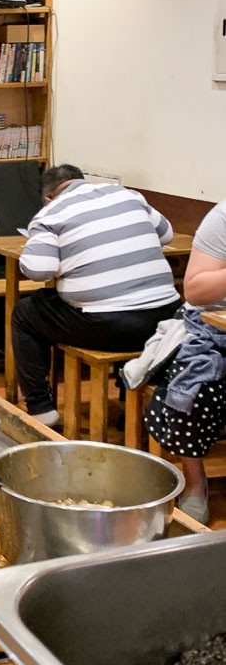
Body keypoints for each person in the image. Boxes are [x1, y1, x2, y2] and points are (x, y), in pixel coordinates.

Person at [12, 164, 181, 426]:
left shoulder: (52, 213)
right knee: (118, 299)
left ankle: (40, 408)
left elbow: (38, 270)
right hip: (167, 320)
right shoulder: (129, 195)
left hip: (108, 326)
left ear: (47, 198)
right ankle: (130, 404)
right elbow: (167, 234)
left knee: (25, 312)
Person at [144, 198, 226, 524]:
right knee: (196, 386)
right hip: (209, 325)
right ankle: (195, 483)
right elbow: (194, 289)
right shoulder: (222, 218)